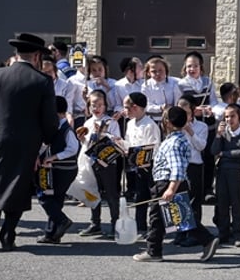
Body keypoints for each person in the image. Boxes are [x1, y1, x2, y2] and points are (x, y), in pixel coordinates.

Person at [0, 33, 58, 252]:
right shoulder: (43, 81)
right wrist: (48, 138)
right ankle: (8, 233)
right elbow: (49, 118)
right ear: (37, 56)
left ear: (16, 53)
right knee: (17, 185)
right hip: (27, 140)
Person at [134, 105, 193, 263]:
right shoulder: (179, 138)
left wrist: (170, 189)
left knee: (156, 218)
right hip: (171, 182)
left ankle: (153, 251)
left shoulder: (173, 143)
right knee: (181, 217)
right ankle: (207, 240)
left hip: (167, 183)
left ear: (167, 123)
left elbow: (177, 166)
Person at [174, 94, 219, 255]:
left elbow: (201, 146)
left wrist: (190, 131)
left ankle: (194, 233)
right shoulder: (174, 125)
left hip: (194, 165)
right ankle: (181, 231)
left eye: (186, 112)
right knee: (179, 199)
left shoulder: (201, 127)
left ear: (192, 112)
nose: (183, 116)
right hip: (179, 164)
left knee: (193, 200)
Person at [78, 88, 123, 239]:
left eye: (99, 105)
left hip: (107, 161)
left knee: (111, 193)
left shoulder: (110, 122)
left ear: (105, 106)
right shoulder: (88, 122)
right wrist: (83, 139)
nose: (96, 108)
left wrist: (103, 133)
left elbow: (117, 140)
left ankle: (115, 223)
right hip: (91, 161)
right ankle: (95, 223)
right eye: (93, 105)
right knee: (92, 191)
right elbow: (86, 144)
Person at [35, 96, 80, 244]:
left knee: (44, 196)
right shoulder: (55, 127)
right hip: (57, 169)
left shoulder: (66, 129)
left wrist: (54, 157)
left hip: (64, 169)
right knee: (56, 199)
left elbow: (73, 149)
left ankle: (62, 221)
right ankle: (52, 234)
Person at [118, 91, 161, 236]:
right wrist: (120, 143)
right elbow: (129, 143)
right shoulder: (130, 123)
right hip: (134, 164)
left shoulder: (150, 125)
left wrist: (137, 154)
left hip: (148, 165)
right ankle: (140, 225)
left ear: (135, 107)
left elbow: (154, 147)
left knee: (150, 196)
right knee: (139, 195)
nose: (125, 111)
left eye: (126, 107)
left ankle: (154, 225)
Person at [212, 103, 240, 247]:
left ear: (239, 117)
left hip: (236, 171)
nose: (229, 120)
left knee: (236, 202)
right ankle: (223, 232)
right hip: (222, 170)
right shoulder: (223, 134)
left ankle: (237, 232)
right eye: (226, 117)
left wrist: (224, 153)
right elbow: (214, 150)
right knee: (222, 202)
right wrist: (218, 135)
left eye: (232, 116)